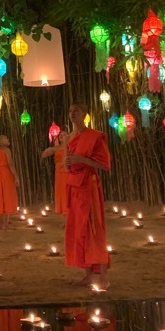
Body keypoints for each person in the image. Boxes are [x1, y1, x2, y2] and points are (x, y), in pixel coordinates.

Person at [64, 103, 112, 289]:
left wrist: (82, 160)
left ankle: (103, 276)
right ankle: (88, 274)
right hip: (74, 186)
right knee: (79, 230)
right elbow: (67, 165)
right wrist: (69, 163)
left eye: (76, 110)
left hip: (89, 186)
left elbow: (105, 165)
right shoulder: (69, 138)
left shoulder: (94, 136)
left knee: (94, 227)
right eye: (70, 110)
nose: (72, 113)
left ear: (84, 114)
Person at [0, 135, 20, 229]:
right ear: (1, 141)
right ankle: (5, 224)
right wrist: (16, 177)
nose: (8, 139)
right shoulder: (6, 150)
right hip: (6, 175)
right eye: (6, 138)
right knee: (7, 196)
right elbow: (10, 164)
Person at [41, 129, 70, 215]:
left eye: (65, 135)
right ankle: (64, 214)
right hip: (59, 173)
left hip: (68, 172)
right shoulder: (56, 148)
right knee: (61, 192)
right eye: (61, 135)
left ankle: (68, 213)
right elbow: (44, 154)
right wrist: (46, 151)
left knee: (68, 192)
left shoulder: (72, 147)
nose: (62, 135)